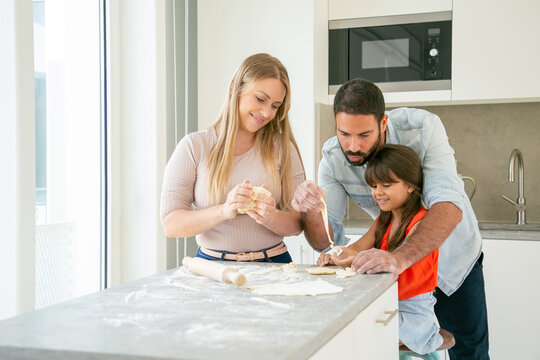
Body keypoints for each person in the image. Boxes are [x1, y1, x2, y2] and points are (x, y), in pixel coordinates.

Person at [292, 79, 489, 359]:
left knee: (469, 352)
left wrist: (399, 258)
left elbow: (448, 206)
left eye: (364, 135)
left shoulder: (422, 129)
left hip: (453, 263)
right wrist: (310, 210)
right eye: (344, 134)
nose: (353, 146)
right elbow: (328, 239)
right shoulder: (333, 159)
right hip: (398, 276)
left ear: (383, 122)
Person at [160, 53, 305, 263]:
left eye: (275, 106)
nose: (266, 112)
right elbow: (171, 225)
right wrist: (224, 210)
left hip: (275, 264)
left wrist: (271, 216)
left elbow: (299, 224)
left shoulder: (283, 148)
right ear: (234, 88)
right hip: (213, 268)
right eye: (260, 99)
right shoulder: (194, 146)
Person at [319, 144, 443, 354]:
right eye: (374, 186)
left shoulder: (422, 223)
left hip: (415, 315)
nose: (378, 193)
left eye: (386, 185)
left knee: (352, 334)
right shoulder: (383, 221)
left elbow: (394, 261)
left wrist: (350, 260)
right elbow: (355, 249)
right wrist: (335, 256)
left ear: (410, 186)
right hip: (385, 304)